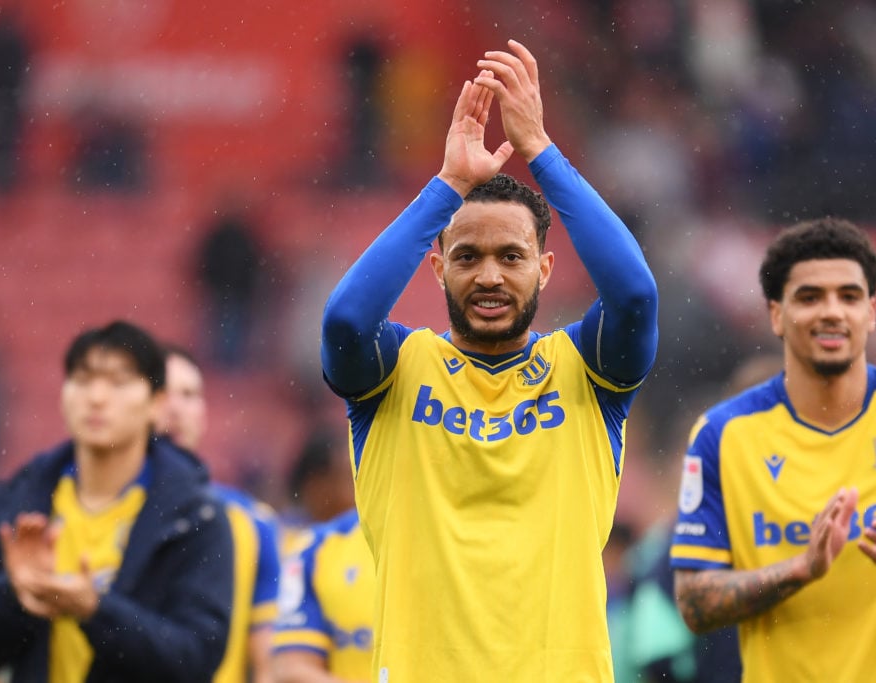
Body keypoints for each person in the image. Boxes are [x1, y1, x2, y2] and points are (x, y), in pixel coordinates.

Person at [320, 39, 658, 681]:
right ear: (436, 265)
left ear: (546, 268)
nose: (491, 276)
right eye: (468, 257)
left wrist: (541, 150)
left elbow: (636, 294)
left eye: (512, 256)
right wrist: (448, 185)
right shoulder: (395, 368)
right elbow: (345, 321)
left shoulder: (585, 369)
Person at [670, 218, 876, 682]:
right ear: (776, 315)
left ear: (871, 312)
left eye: (849, 296)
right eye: (809, 297)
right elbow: (695, 604)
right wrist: (800, 569)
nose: (832, 312)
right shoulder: (722, 435)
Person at [0, 320, 233, 681]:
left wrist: (95, 610)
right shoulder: (17, 502)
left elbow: (195, 658)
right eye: (82, 379)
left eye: (118, 382)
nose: (96, 397)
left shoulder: (195, 518)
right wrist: (18, 594)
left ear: (157, 405)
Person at [156, 345, 281, 683]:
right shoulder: (93, 510)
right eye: (161, 391)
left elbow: (267, 665)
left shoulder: (253, 524)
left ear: (204, 412)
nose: (174, 407)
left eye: (188, 394)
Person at [271, 437, 374, 683]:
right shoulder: (313, 549)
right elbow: (290, 671)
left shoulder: (454, 540)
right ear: (316, 485)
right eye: (345, 474)